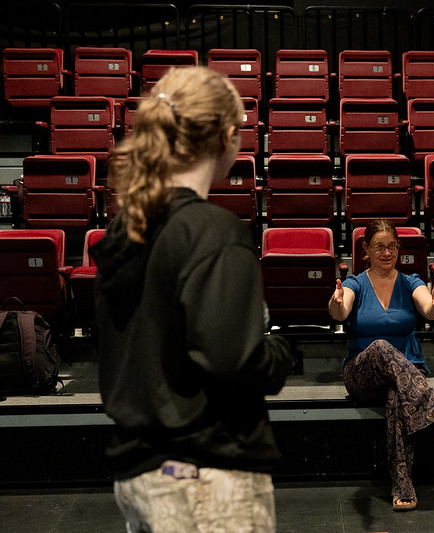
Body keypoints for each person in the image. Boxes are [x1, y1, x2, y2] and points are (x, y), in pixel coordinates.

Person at [92, 66, 293, 532]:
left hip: (143, 475)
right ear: (227, 137)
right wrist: (281, 354)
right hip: (204, 478)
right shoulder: (213, 232)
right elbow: (230, 359)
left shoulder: (128, 231)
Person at [328, 219, 434, 511]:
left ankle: (403, 486)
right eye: (379, 246)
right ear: (366, 249)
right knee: (380, 346)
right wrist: (336, 303)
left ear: (399, 249)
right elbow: (341, 313)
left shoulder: (410, 282)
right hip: (362, 374)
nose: (386, 252)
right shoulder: (355, 283)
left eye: (392, 246)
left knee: (396, 397)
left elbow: (429, 309)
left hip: (406, 376)